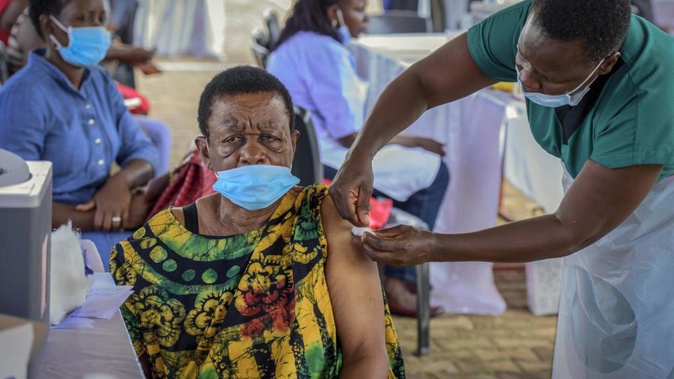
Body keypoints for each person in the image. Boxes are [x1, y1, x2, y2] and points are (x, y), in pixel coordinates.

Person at [329, 0, 674, 377]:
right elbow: (424, 82)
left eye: (548, 77)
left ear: (605, 64)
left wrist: (435, 246)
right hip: (598, 205)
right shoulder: (536, 24)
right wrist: (361, 153)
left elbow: (569, 229)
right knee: (595, 336)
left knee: (649, 345)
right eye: (521, 62)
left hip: (661, 215)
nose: (526, 81)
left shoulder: (648, 98)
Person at [110, 66, 405, 379]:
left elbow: (367, 355)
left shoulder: (326, 219)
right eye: (233, 139)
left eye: (269, 138)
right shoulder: (152, 250)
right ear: (205, 152)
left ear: (292, 145)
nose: (252, 153)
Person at [267, 0, 449, 317]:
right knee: (434, 170)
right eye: (359, 10)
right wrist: (414, 139)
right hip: (327, 160)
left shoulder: (298, 42)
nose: (366, 19)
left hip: (303, 156)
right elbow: (349, 133)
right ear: (334, 12)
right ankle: (398, 280)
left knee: (410, 167)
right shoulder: (325, 51)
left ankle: (385, 264)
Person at [0, 0, 159, 270]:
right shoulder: (23, 97)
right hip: (52, 242)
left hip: (108, 224)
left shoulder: (99, 80)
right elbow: (17, 203)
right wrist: (108, 217)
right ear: (49, 26)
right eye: (83, 18)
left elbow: (144, 151)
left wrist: (120, 182)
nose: (96, 30)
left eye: (100, 18)